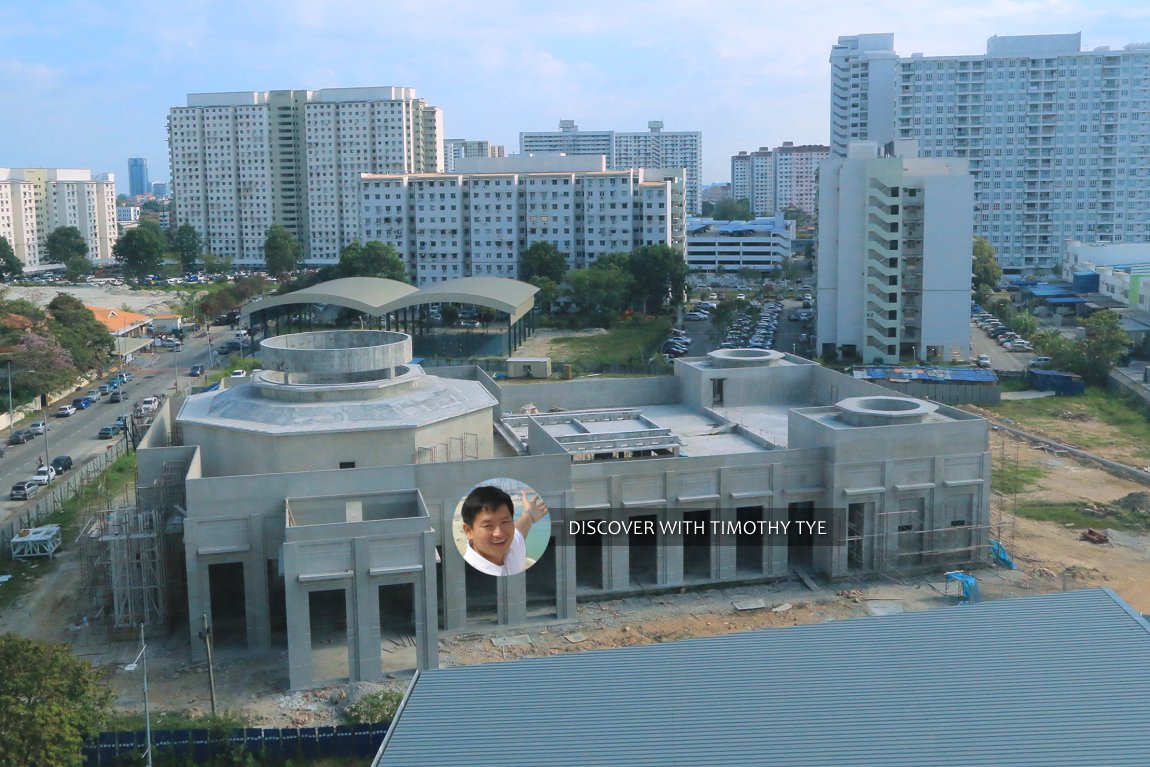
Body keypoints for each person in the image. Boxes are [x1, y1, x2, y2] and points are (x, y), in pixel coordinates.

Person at [460, 485, 548, 577]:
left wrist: (530, 514)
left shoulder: (512, 545)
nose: (499, 533)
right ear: (468, 531)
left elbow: (521, 528)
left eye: (505, 521)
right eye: (488, 525)